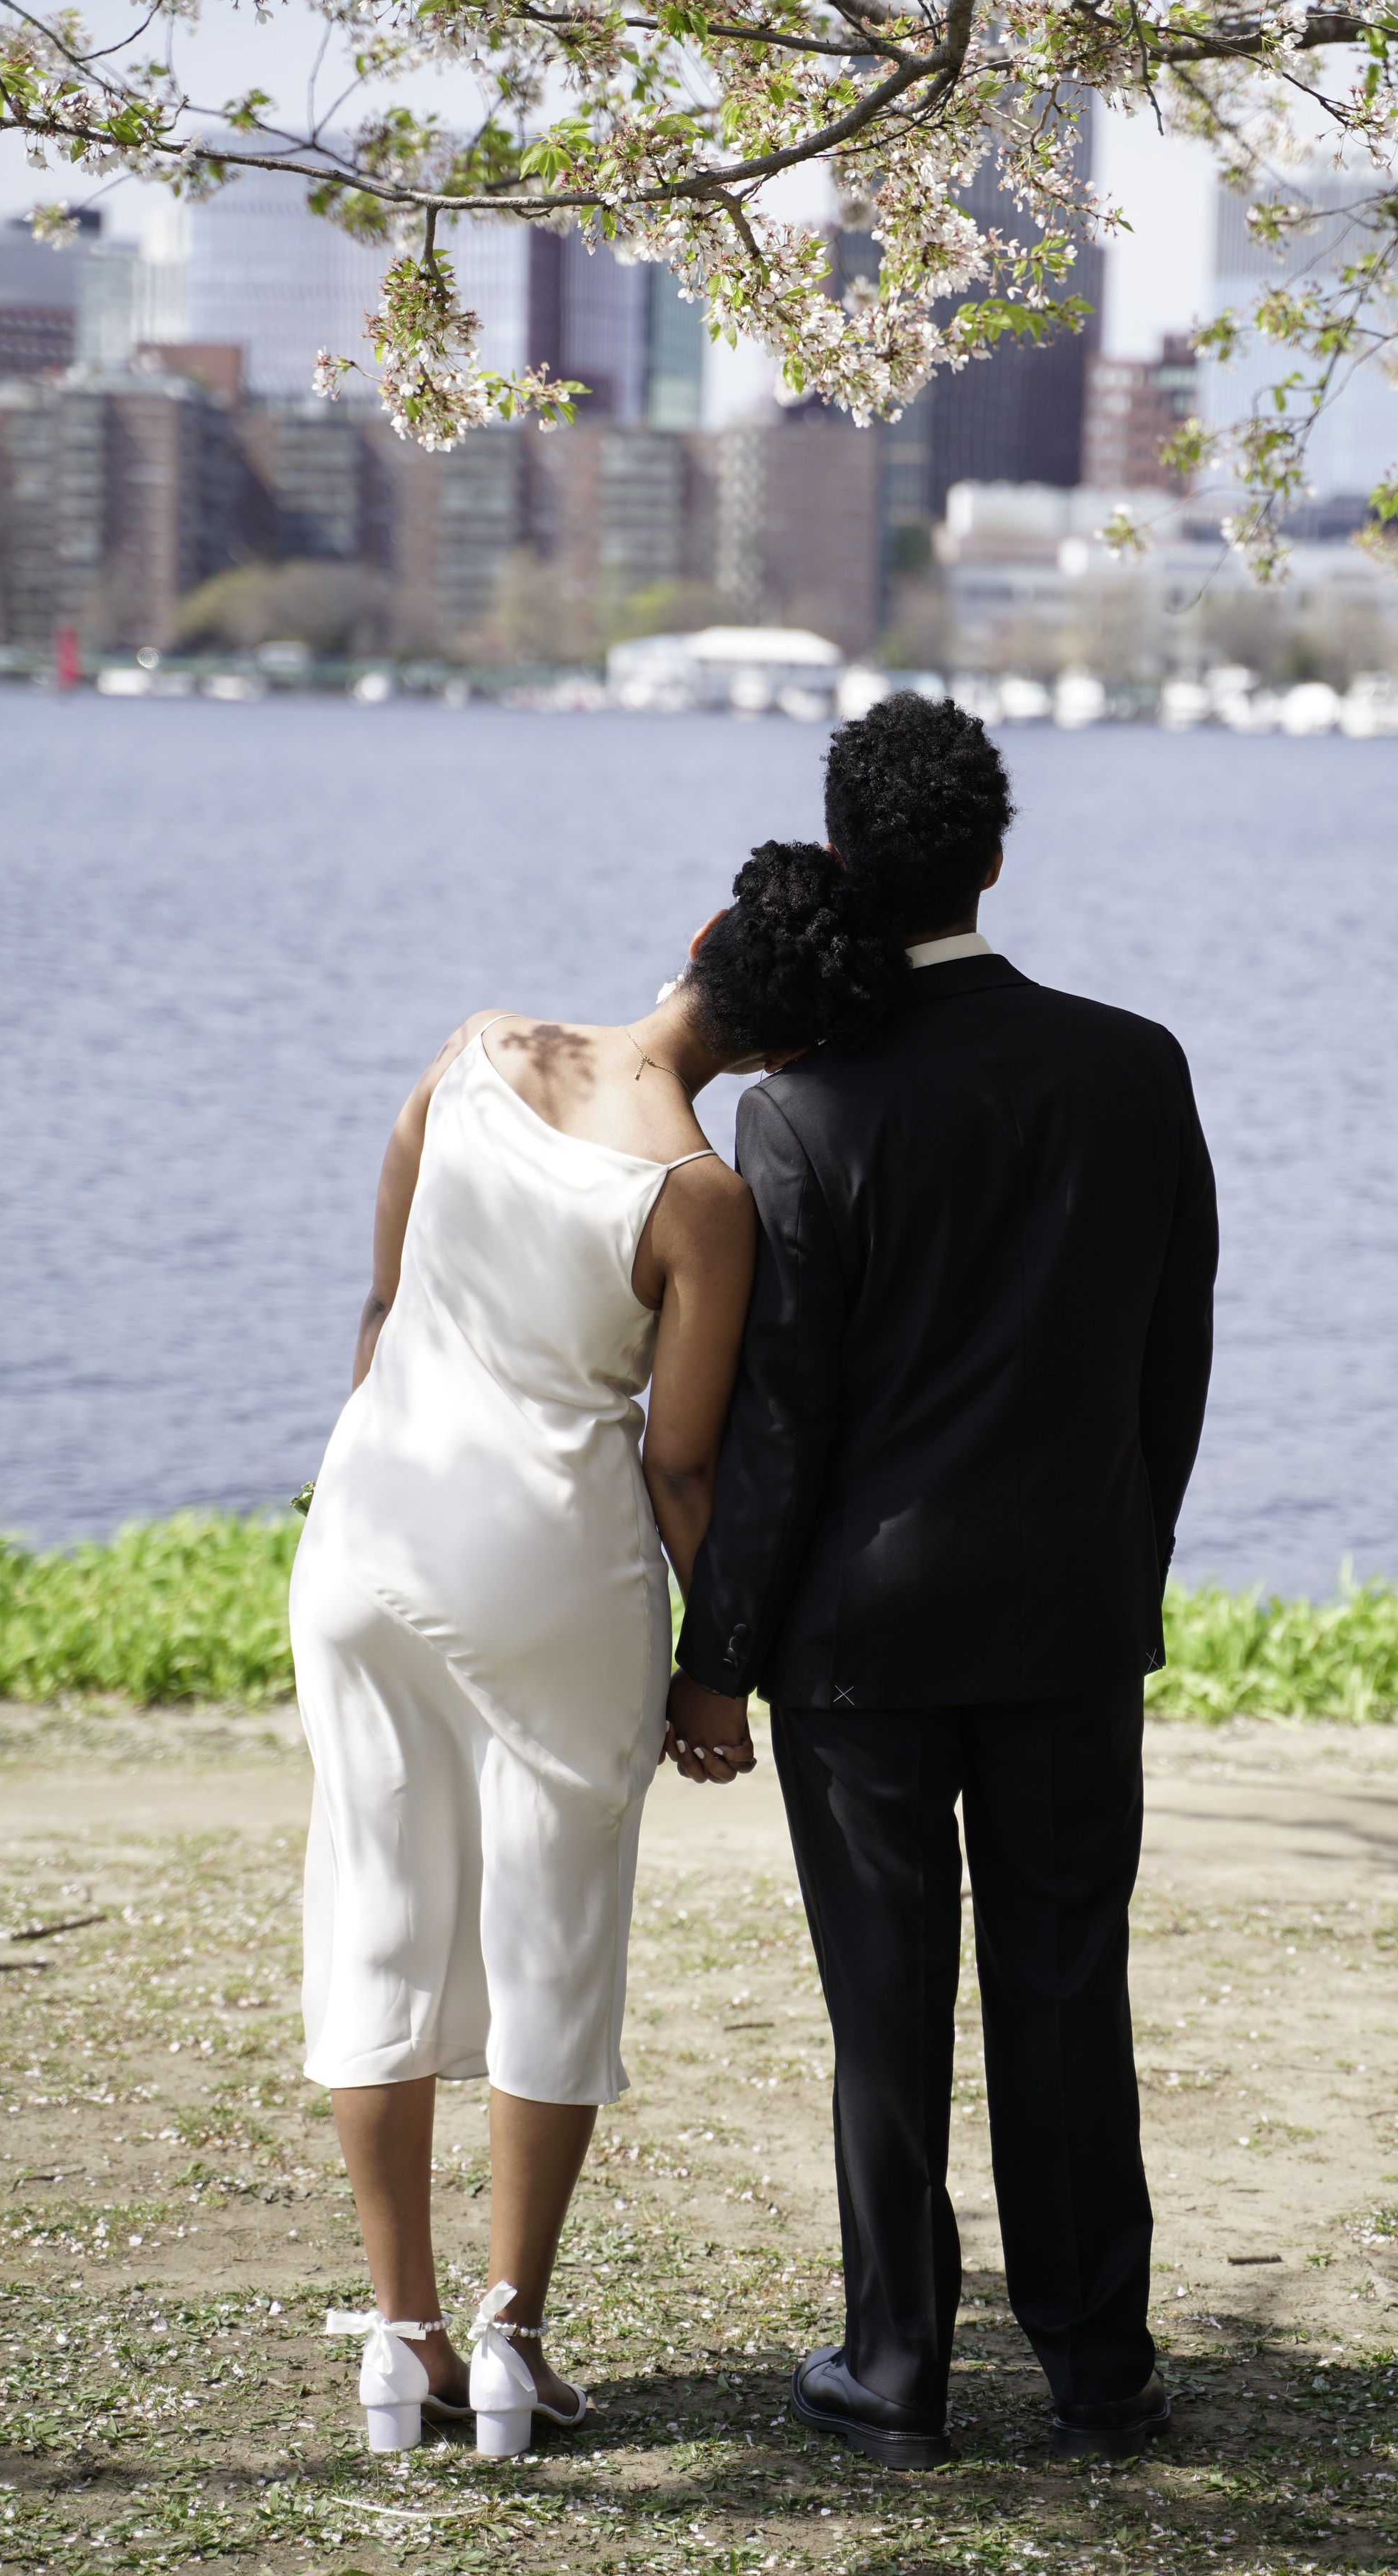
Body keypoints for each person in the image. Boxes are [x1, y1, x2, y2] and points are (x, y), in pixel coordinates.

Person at [291, 843, 906, 2458]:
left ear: (700, 935)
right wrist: (720, 1671)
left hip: (366, 1535)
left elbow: (382, 1301)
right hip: (552, 1570)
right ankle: (510, 2340)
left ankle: (400, 2338)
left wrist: (370, 1477)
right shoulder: (698, 1196)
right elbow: (680, 1463)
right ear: (785, 1051)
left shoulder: (476, 1048)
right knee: (550, 1938)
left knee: (378, 1914)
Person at [671, 699, 1218, 2467]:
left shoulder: (798, 1112)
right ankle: (1098, 2367)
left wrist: (717, 1650)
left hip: (859, 1638)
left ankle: (895, 2365)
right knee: (1064, 1986)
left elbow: (778, 1422)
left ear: (845, 856)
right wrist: (1126, 1552)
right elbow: (1172, 1357)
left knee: (885, 2006)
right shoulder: (1134, 1064)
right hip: (1067, 1610)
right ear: (992, 852)